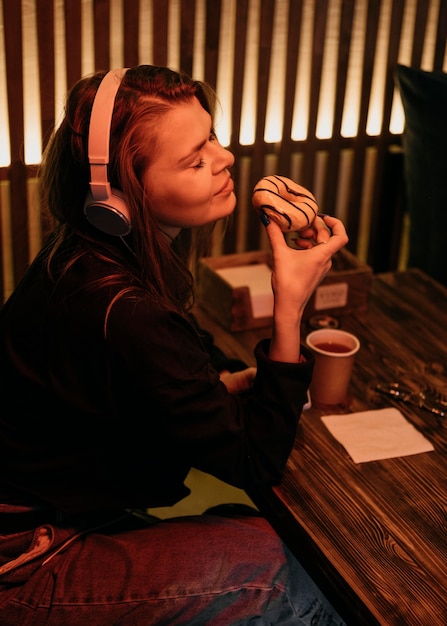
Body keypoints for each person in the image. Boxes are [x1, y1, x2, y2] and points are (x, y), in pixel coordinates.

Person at [0, 64, 348, 625]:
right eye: (195, 158)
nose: (225, 157)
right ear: (116, 195)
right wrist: (289, 311)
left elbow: (160, 373)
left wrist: (221, 382)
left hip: (63, 513)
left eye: (210, 136)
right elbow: (253, 464)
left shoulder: (86, 255)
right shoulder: (122, 309)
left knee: (241, 521)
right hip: (26, 559)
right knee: (290, 578)